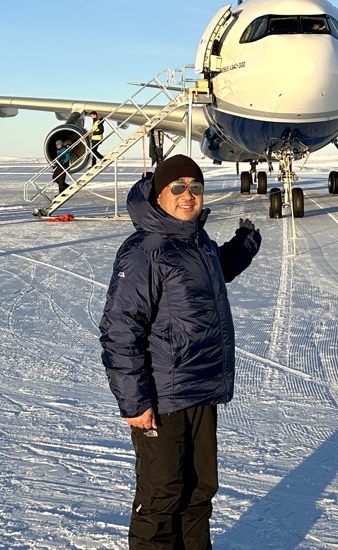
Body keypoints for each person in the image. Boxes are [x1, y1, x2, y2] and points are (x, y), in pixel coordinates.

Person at [100, 155, 262, 550]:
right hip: (162, 397)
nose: (188, 195)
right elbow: (120, 331)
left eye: (195, 187)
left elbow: (214, 269)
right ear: (159, 193)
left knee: (199, 488)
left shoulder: (195, 240)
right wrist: (135, 402)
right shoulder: (145, 250)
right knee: (162, 496)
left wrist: (244, 245)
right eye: (177, 187)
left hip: (200, 390)